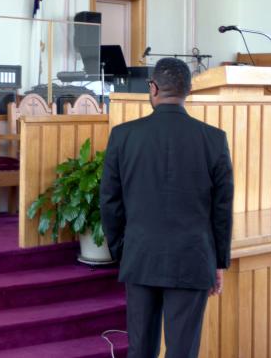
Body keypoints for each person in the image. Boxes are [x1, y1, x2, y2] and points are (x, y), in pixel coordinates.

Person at [99, 58, 234, 358]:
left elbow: (109, 201)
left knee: (141, 349)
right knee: (182, 352)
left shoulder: (123, 136)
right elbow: (222, 208)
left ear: (153, 87)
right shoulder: (214, 139)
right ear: (188, 91)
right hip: (193, 258)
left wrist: (123, 250)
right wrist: (218, 262)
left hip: (141, 255)